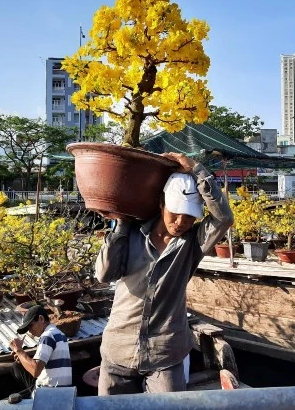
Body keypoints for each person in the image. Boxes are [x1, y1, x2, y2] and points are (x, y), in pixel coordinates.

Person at [95, 152, 234, 395]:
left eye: (190, 216)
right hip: (119, 348)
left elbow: (224, 218)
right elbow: (104, 274)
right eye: (176, 212)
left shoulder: (192, 244)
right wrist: (121, 224)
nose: (181, 221)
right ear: (162, 204)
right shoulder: (132, 235)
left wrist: (196, 169)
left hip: (165, 354)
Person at [9, 304, 72, 397]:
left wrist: (19, 350)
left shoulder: (47, 336)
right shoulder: (59, 334)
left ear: (41, 319)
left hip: (48, 394)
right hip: (62, 391)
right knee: (17, 366)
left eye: (31, 326)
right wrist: (22, 358)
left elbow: (35, 371)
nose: (30, 331)